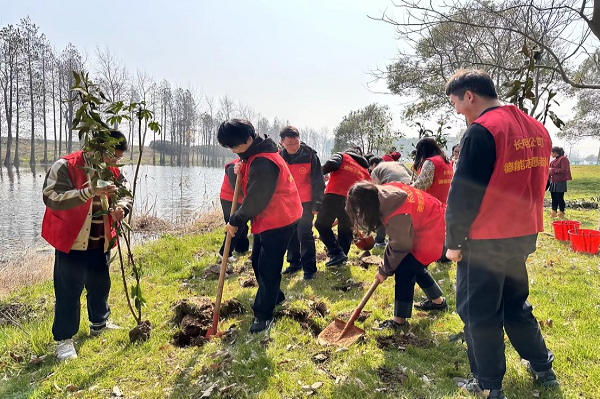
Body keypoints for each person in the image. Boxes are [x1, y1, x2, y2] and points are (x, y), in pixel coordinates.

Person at [445, 69, 558, 399]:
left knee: (478, 311)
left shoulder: (482, 131)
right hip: (522, 234)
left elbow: (463, 194)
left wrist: (453, 243)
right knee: (514, 304)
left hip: (485, 238)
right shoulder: (537, 129)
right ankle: (542, 368)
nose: (457, 111)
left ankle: (488, 384)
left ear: (470, 95)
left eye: (456, 103)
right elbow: (541, 182)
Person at [42, 130, 131, 361]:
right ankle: (64, 339)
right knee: (68, 291)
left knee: (100, 284)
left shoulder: (112, 171)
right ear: (99, 149)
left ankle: (99, 323)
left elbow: (125, 193)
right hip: (71, 240)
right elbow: (51, 196)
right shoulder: (66, 166)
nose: (116, 162)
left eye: (118, 158)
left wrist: (121, 209)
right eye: (113, 156)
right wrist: (88, 192)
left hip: (100, 239)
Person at [218, 119, 302, 333]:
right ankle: (276, 296)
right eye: (230, 147)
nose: (234, 150)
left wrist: (235, 220)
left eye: (235, 146)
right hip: (267, 217)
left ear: (249, 138)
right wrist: (241, 167)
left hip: (280, 217)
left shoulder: (264, 161)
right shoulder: (253, 153)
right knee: (258, 261)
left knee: (268, 266)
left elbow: (256, 199)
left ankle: (263, 315)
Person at [346, 181, 448, 329]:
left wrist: (384, 270)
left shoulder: (397, 212)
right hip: (426, 220)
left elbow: (401, 245)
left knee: (405, 268)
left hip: (434, 229)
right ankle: (438, 302)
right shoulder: (383, 192)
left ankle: (399, 321)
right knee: (413, 265)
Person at [279, 126, 325, 280]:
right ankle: (294, 263)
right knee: (291, 233)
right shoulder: (279, 157)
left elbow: (318, 180)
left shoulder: (310, 156)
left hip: (305, 201)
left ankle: (310, 269)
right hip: (287, 202)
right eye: (289, 144)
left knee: (304, 233)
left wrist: (317, 203)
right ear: (282, 143)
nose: (293, 147)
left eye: (296, 143)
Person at [315, 146, 370, 267]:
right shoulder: (365, 170)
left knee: (321, 224)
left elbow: (331, 164)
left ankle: (336, 252)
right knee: (345, 231)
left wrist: (317, 175)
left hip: (334, 195)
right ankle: (341, 258)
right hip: (353, 201)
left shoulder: (342, 156)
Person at [368, 156, 412, 247]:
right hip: (409, 189)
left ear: (374, 165)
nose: (370, 170)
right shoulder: (397, 163)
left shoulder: (376, 170)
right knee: (405, 215)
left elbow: (375, 190)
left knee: (382, 213)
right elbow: (412, 175)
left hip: (393, 189)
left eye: (370, 168)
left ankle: (380, 241)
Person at [218, 158, 249, 262]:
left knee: (243, 226)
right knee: (235, 225)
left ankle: (241, 249)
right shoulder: (233, 167)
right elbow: (237, 189)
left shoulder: (252, 164)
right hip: (229, 199)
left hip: (243, 199)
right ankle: (224, 253)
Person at [411, 137, 454, 204]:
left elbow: (421, 184)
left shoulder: (430, 162)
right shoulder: (446, 161)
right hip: (446, 203)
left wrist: (407, 189)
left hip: (432, 205)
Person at [548, 146, 572, 218]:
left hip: (560, 181)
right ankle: (553, 211)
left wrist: (552, 170)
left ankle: (561, 212)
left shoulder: (563, 159)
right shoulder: (554, 160)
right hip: (553, 181)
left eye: (551, 152)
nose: (550, 154)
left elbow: (565, 170)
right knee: (554, 198)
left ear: (556, 152)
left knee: (560, 197)